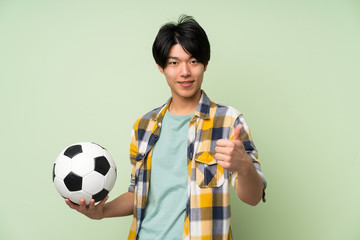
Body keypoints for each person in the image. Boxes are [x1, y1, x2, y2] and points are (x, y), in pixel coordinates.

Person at [66, 15, 267, 240]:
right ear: (162, 68)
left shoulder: (229, 121)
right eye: (174, 63)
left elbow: (253, 197)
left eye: (193, 61)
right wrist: (101, 212)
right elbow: (139, 195)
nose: (184, 72)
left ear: (205, 64)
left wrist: (244, 166)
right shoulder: (144, 126)